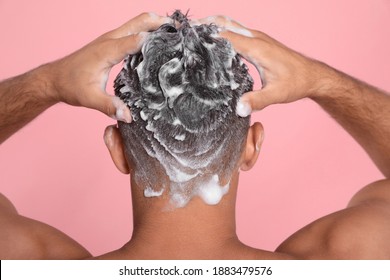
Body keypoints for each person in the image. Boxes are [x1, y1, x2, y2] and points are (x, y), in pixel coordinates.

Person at [0, 12, 389, 259]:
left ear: (117, 150)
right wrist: (324, 81)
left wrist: (45, 83)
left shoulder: (26, 259)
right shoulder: (348, 257)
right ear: (252, 148)